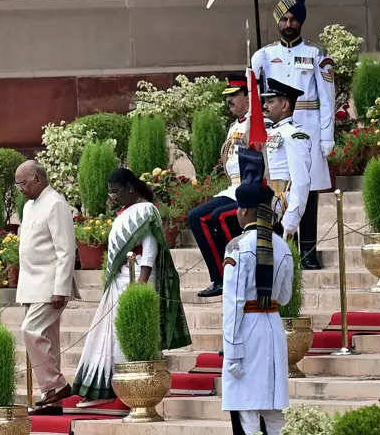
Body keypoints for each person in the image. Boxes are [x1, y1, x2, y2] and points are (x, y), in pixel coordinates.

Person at [72, 168, 191, 407]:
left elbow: (150, 249)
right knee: (108, 332)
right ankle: (105, 387)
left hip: (137, 279)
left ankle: (130, 384)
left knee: (126, 333)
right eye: (111, 192)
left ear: (130, 188)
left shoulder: (147, 211)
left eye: (116, 191)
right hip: (120, 278)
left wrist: (141, 284)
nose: (113, 196)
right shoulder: (126, 213)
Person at [252, 0, 335, 269]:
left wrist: (327, 136)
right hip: (276, 131)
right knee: (280, 190)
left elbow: (326, 97)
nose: (289, 25)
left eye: (293, 20)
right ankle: (280, 247)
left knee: (308, 190)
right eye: (284, 20)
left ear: (301, 22)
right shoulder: (265, 54)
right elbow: (255, 96)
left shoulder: (315, 55)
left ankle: (308, 251)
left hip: (308, 128)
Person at [222, 182, 293, 435]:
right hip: (272, 325)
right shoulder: (283, 247)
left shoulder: (237, 247)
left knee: (246, 407)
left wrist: (232, 350)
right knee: (273, 407)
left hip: (247, 330)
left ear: (245, 211)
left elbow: (233, 303)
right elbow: (285, 297)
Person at [15, 160, 78, 415]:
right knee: (48, 340)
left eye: (22, 182)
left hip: (50, 284)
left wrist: (61, 288)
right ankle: (52, 402)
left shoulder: (56, 204)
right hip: (32, 284)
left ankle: (56, 384)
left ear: (37, 179)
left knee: (30, 330)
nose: (19, 188)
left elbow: (66, 249)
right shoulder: (30, 206)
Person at [189, 73, 258, 298]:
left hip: (250, 185)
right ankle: (219, 277)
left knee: (219, 216)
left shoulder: (256, 122)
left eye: (235, 95)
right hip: (233, 188)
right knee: (196, 216)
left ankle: (235, 272)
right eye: (228, 96)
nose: (230, 101)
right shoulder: (233, 126)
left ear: (248, 96)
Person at [264, 78, 312, 242]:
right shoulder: (268, 131)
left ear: (284, 105)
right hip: (265, 201)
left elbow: (301, 182)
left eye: (270, 101)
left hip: (281, 204)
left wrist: (289, 223)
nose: (265, 106)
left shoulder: (294, 135)